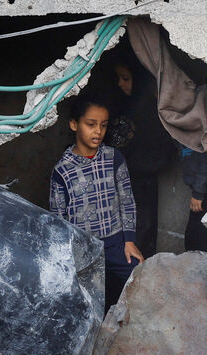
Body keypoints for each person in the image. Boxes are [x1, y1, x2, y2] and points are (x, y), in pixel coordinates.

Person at [50, 96, 144, 310]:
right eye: (91, 124)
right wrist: (68, 257)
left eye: (103, 125)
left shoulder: (114, 157)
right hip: (83, 249)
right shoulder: (62, 170)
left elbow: (127, 201)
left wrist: (129, 241)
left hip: (117, 243)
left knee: (141, 280)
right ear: (74, 124)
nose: (98, 131)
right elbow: (58, 219)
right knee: (87, 304)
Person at [109, 55, 174, 258]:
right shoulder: (123, 106)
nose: (120, 84)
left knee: (141, 234)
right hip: (124, 183)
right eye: (118, 78)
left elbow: (162, 154)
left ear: (138, 79)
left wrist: (131, 165)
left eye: (126, 78)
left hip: (141, 184)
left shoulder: (151, 112)